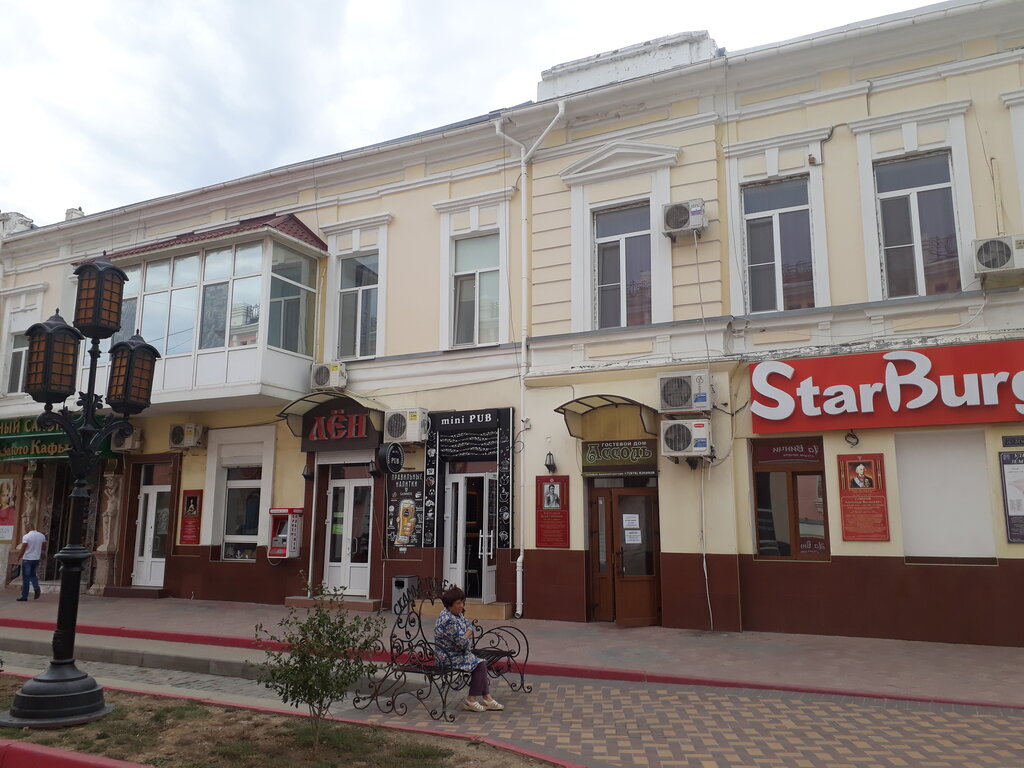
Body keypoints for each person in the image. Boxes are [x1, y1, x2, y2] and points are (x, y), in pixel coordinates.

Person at [433, 585, 503, 712]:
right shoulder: (448, 620)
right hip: (447, 657)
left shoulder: (456, 614)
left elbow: (469, 626)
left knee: (481, 663)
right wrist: (467, 634)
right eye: (458, 603)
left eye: (462, 602)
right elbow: (463, 643)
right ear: (449, 605)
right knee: (480, 664)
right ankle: (471, 699)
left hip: (457, 653)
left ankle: (487, 698)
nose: (461, 606)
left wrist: (467, 633)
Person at [16, 523, 45, 601]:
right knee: (33, 575)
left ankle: (24, 596)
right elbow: (43, 547)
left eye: (26, 529)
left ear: (28, 528)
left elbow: (23, 549)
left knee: (26, 578)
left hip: (27, 559)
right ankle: (37, 588)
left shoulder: (26, 536)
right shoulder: (41, 536)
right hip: (36, 559)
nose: (25, 530)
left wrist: (18, 558)